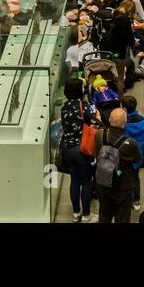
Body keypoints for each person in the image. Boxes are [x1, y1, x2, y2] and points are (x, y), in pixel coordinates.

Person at [93, 107, 141, 223]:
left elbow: (96, 153)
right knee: (122, 218)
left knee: (104, 216)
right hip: (122, 187)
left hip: (103, 182)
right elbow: (137, 160)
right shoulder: (130, 143)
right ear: (125, 123)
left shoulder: (99, 135)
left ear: (109, 120)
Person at [58, 78, 96, 220]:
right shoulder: (83, 105)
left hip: (68, 149)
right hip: (82, 148)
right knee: (86, 182)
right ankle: (86, 214)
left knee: (75, 181)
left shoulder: (64, 107)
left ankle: (76, 213)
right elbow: (93, 121)